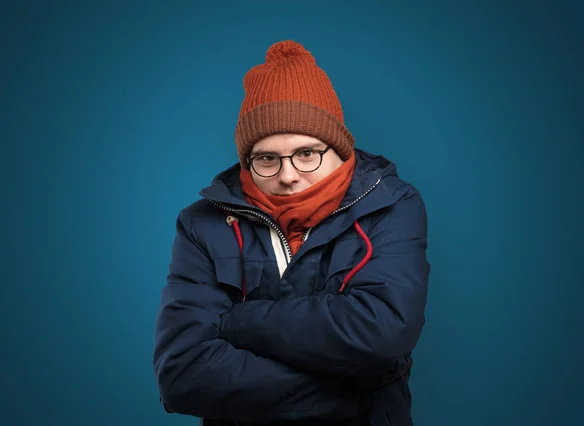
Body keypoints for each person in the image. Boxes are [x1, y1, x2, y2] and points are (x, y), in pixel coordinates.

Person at [153, 39, 430, 426]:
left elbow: (383, 331)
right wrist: (354, 386)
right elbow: (182, 375)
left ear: (338, 150)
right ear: (247, 162)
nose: (288, 175)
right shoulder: (202, 223)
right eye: (267, 158)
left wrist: (239, 322)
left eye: (307, 153)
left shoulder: (391, 204)